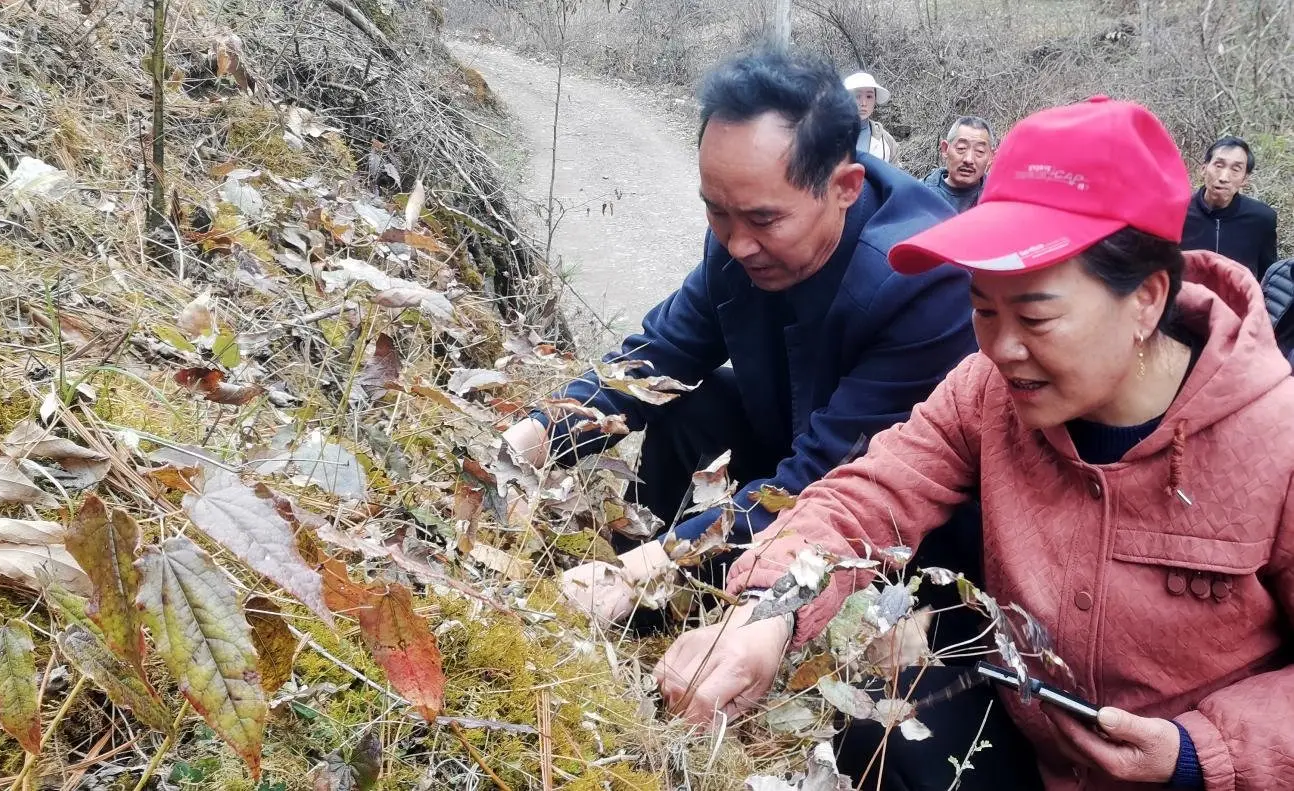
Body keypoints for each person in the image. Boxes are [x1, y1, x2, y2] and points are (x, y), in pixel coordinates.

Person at [655, 96, 1294, 791]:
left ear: (1145, 298)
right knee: (885, 724)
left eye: (1035, 315)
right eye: (983, 307)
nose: (1003, 346)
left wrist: (1203, 753)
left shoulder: (1273, 439)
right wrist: (768, 614)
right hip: (1030, 741)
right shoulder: (987, 389)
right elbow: (872, 493)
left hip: (1192, 776)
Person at [501, 51, 976, 623]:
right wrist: (531, 439)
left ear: (846, 187)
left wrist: (654, 564)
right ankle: (639, 607)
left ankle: (649, 591)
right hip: (786, 439)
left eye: (763, 220)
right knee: (688, 411)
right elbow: (661, 356)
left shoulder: (923, 278)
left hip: (878, 520)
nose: (736, 244)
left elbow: (823, 480)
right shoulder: (739, 237)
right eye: (716, 211)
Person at [1179, 136, 1279, 279]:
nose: (1224, 177)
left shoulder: (1261, 219)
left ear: (1245, 179)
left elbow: (1268, 277)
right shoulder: (1178, 212)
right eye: (1219, 165)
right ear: (1203, 169)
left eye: (1236, 169)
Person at [922, 116, 995, 213]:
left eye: (979, 151)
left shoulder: (997, 199)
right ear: (945, 149)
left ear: (990, 157)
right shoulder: (920, 195)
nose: (968, 159)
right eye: (961, 148)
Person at [843, 71, 899, 163]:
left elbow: (896, 174)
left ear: (875, 100)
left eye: (869, 96)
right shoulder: (827, 135)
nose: (863, 103)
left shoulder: (886, 141)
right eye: (857, 96)